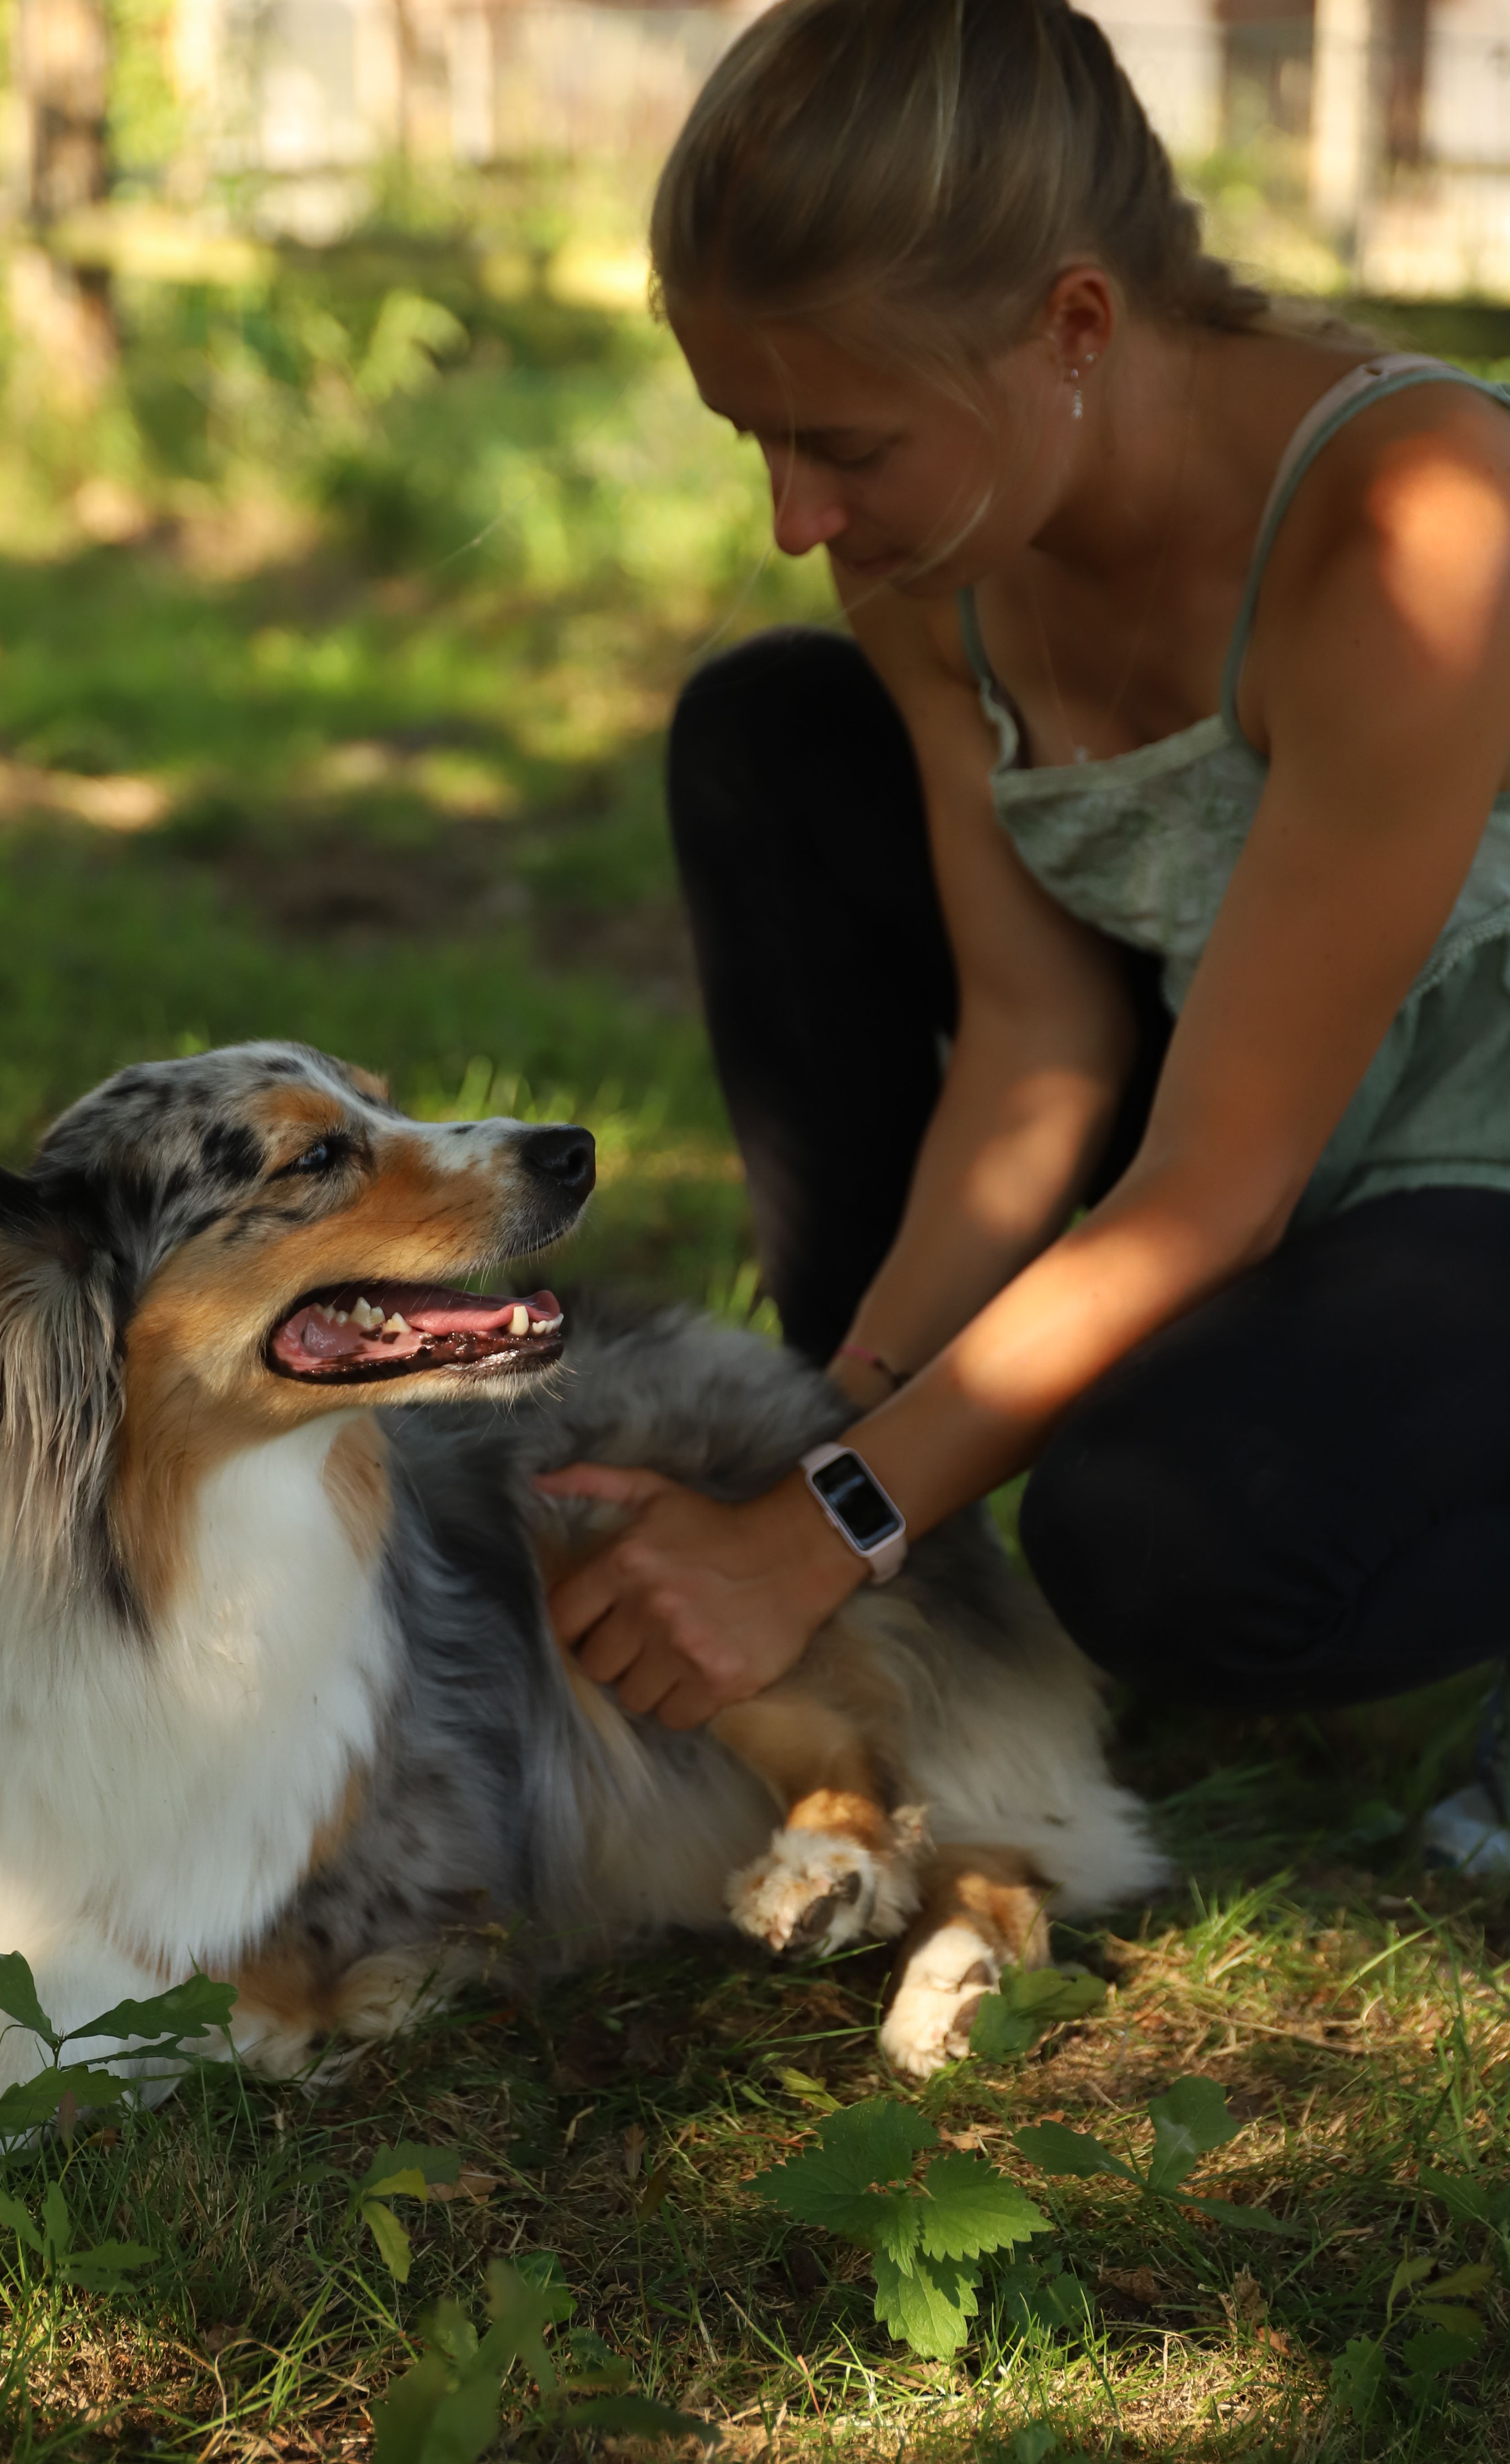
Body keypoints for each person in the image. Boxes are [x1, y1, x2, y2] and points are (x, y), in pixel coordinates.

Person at [538, 0, 1510, 1836]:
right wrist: (821, 1445)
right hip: (1272, 1093)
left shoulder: (1420, 520)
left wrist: (811, 1536)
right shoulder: (945, 549)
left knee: (1163, 1543)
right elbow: (1037, 1051)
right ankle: (893, 1526)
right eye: (756, 441)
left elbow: (1213, 1182)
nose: (791, 516)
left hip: (1476, 1146)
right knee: (765, 734)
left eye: (843, 444)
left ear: (1073, 324)